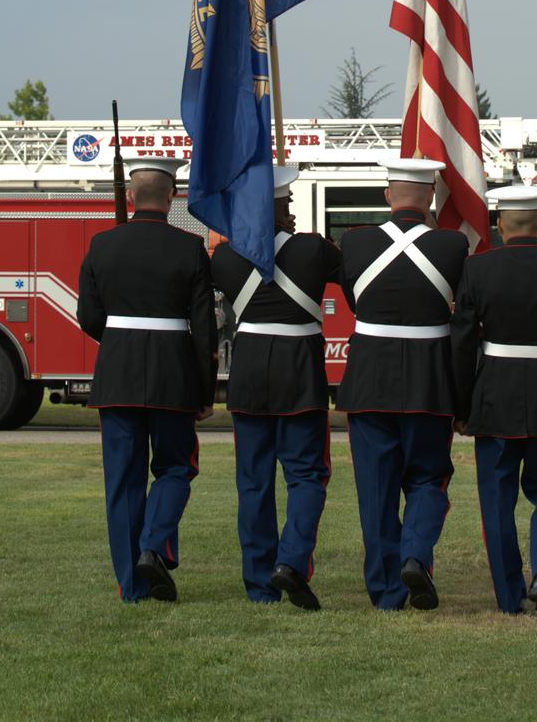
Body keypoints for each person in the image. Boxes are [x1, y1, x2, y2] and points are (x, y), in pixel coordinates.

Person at [77, 158, 217, 603]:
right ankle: (154, 547)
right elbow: (205, 329)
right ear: (173, 197)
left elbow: (88, 317)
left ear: (131, 197)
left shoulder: (101, 245)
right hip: (173, 376)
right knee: (176, 467)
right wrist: (206, 387)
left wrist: (121, 341)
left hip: (117, 377)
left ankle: (133, 586)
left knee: (123, 481)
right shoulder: (190, 248)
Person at [451, 185, 537, 615]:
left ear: (499, 224)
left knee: (496, 500)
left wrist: (461, 407)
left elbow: (461, 345)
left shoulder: (477, 270)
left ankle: (509, 597)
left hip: (494, 396)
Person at [337, 157, 468, 612]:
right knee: (430, 479)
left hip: (370, 381)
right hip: (429, 384)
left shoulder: (353, 243)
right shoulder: (453, 246)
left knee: (375, 491)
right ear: (430, 197)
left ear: (387, 195)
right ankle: (415, 555)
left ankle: (387, 592)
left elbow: (357, 300)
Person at [210, 166, 339, 610]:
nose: (294, 214)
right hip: (298, 372)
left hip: (248, 375)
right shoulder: (312, 249)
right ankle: (291, 561)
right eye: (289, 205)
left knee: (254, 483)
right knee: (306, 475)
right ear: (279, 207)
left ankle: (260, 584)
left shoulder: (224, 258)